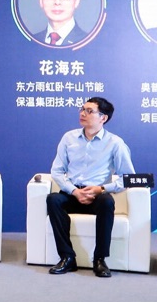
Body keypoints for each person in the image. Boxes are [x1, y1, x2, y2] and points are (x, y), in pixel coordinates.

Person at [45, 96, 136, 278]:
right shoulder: (69, 138)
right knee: (53, 200)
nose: (83, 113)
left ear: (103, 118)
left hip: (97, 194)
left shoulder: (115, 143)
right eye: (82, 109)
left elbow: (128, 178)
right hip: (72, 193)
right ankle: (67, 258)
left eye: (89, 111)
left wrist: (101, 189)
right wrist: (74, 191)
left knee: (106, 202)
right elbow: (57, 171)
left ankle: (100, 259)